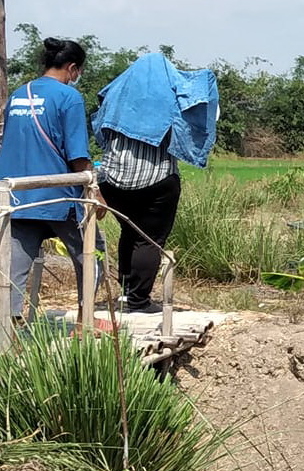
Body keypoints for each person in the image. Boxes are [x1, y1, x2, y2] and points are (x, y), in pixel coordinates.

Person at [92, 52, 219, 315]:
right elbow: (196, 112)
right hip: (156, 179)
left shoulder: (117, 96)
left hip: (113, 182)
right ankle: (139, 301)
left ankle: (126, 294)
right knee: (148, 239)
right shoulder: (169, 98)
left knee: (129, 231)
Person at [0, 37, 94, 322]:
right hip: (57, 196)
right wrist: (94, 190)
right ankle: (84, 322)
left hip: (18, 196)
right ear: (72, 68)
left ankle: (9, 329)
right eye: (79, 71)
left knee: (13, 269)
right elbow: (78, 155)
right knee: (92, 255)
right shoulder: (69, 97)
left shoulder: (18, 94)